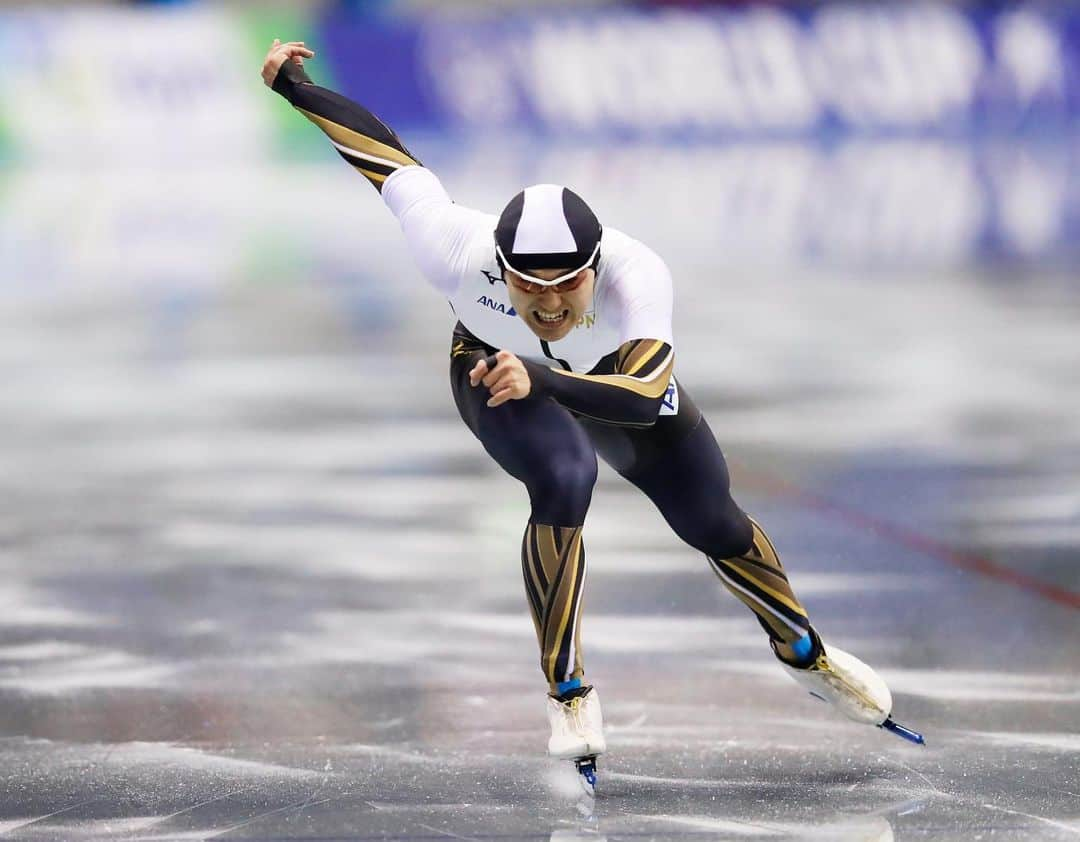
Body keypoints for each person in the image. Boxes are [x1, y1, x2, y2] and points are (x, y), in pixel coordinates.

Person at [260, 39, 922, 794]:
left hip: (606, 382)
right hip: (492, 369)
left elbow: (643, 397)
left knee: (713, 519)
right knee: (565, 476)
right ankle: (568, 691)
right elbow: (383, 157)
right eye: (525, 285)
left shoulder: (638, 277)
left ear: (595, 267)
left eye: (566, 286)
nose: (545, 304)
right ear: (498, 268)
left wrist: (545, 374)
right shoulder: (453, 247)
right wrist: (295, 85)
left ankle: (805, 652)